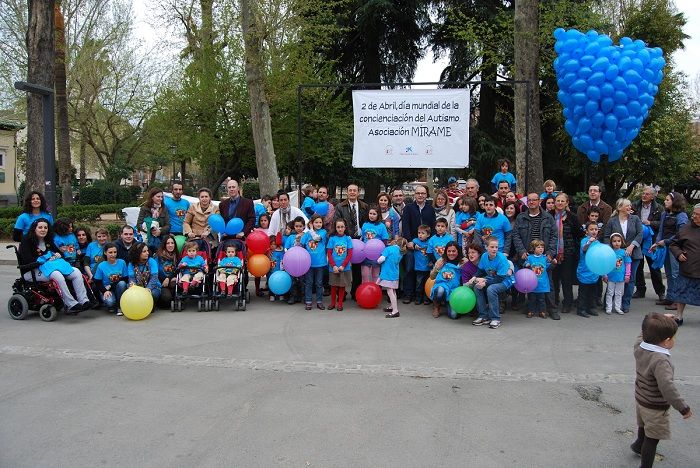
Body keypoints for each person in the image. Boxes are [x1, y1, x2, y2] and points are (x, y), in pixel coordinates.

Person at [631, 313, 692, 468]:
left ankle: (638, 444)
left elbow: (642, 335)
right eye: (673, 337)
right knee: (652, 439)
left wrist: (657, 320)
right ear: (666, 342)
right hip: (655, 406)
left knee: (643, 425)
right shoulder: (661, 361)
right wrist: (682, 407)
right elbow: (667, 387)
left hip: (641, 399)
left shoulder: (640, 346)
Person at [18, 218, 93, 314]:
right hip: (32, 271)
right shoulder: (26, 240)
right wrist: (46, 258)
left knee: (76, 272)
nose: (43, 229)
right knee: (56, 274)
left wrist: (57, 254)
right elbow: (27, 259)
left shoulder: (48, 240)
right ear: (34, 229)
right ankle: (71, 304)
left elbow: (58, 253)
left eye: (45, 227)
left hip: (49, 267)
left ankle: (83, 300)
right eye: (40, 227)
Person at [603, 198, 643, 313]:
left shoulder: (635, 219)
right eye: (627, 206)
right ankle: (609, 304)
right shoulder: (612, 221)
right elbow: (606, 236)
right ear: (619, 208)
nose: (629, 208)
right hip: (615, 255)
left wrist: (632, 246)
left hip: (633, 254)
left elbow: (640, 234)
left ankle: (625, 304)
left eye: (630, 205)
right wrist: (610, 249)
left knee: (629, 279)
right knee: (613, 278)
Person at [650, 192, 688, 311]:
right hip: (665, 247)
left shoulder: (682, 216)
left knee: (676, 273)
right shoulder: (664, 214)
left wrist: (665, 241)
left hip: (675, 248)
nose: (665, 202)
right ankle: (670, 297)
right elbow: (661, 230)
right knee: (669, 273)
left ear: (674, 201)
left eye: (667, 200)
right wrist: (657, 242)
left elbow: (680, 234)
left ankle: (678, 301)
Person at [401, 185, 436, 303]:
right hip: (412, 244)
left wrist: (430, 244)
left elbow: (433, 227)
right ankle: (408, 293)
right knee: (410, 268)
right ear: (414, 195)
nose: (420, 195)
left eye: (423, 193)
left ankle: (424, 295)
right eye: (418, 193)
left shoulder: (430, 209)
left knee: (425, 270)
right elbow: (405, 226)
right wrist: (409, 241)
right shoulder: (408, 208)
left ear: (426, 195)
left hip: (426, 246)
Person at [468, 236, 513, 328]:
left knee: (491, 289)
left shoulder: (501, 258)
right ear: (486, 247)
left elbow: (500, 278)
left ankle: (495, 318)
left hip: (506, 280)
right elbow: (480, 271)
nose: (495, 249)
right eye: (492, 247)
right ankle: (483, 316)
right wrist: (474, 277)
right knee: (477, 287)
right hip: (491, 278)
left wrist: (485, 282)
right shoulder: (484, 256)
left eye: (496, 247)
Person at [667, 203, 700, 325]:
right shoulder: (685, 228)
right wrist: (678, 253)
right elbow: (674, 244)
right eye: (694, 213)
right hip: (687, 267)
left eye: (697, 215)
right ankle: (679, 316)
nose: (694, 216)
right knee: (681, 294)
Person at [632, 185, 665, 301]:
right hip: (638, 238)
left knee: (653, 266)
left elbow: (662, 224)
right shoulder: (635, 205)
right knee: (638, 265)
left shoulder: (659, 208)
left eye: (646, 194)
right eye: (643, 193)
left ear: (652, 196)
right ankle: (640, 289)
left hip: (651, 239)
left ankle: (660, 291)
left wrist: (650, 223)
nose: (643, 195)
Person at [551, 193, 582, 314]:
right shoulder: (550, 216)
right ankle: (554, 301)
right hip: (552, 252)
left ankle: (567, 303)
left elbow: (578, 234)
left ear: (567, 202)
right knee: (554, 278)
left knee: (566, 278)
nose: (559, 203)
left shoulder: (572, 217)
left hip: (567, 253)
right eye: (557, 200)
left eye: (562, 201)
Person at [429, 241, 464, 319]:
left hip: (454, 290)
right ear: (446, 251)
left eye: (454, 251)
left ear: (458, 251)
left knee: (454, 315)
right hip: (442, 286)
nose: (451, 253)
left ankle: (447, 302)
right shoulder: (441, 260)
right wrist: (437, 269)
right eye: (449, 251)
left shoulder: (463, 262)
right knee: (440, 290)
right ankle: (436, 306)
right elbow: (431, 277)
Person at [93, 242, 128, 316]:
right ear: (105, 253)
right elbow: (97, 281)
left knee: (122, 283)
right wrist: (104, 291)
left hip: (118, 288)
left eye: (115, 252)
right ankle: (111, 304)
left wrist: (112, 285)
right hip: (106, 289)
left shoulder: (122, 262)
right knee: (110, 302)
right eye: (110, 252)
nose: (113, 254)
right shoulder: (101, 265)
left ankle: (120, 306)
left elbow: (125, 278)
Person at [301, 214, 328, 310]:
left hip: (320, 263)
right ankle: (308, 301)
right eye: (316, 222)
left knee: (319, 283)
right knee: (309, 282)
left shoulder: (323, 232)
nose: (318, 224)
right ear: (312, 223)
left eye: (320, 222)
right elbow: (301, 245)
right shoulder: (307, 234)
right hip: (309, 264)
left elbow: (317, 238)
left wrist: (311, 229)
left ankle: (319, 301)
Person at [326, 218, 353, 311]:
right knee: (333, 286)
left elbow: (350, 254)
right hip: (333, 267)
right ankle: (332, 303)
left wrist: (343, 265)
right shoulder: (332, 238)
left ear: (345, 228)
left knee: (342, 286)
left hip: (344, 268)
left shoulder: (348, 239)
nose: (340, 229)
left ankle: (340, 304)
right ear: (335, 228)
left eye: (342, 227)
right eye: (338, 227)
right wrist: (333, 265)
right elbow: (329, 253)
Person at [377, 237, 408, 318]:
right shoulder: (401, 252)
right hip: (395, 274)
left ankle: (395, 311)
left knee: (390, 292)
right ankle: (392, 307)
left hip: (388, 274)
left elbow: (381, 259)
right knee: (393, 291)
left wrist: (377, 260)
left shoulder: (388, 249)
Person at [576, 222, 601, 318]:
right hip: (584, 271)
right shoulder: (584, 241)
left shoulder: (598, 243)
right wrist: (590, 242)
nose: (594, 231)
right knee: (583, 292)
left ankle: (591, 307)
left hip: (594, 271)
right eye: (591, 229)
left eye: (596, 229)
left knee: (593, 292)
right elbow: (584, 249)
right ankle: (581, 309)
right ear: (586, 232)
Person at [603, 233, 631, 315]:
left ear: (621, 242)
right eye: (614, 241)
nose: (616, 243)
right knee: (610, 292)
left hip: (621, 277)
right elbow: (605, 264)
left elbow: (628, 264)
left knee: (619, 293)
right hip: (611, 277)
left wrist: (627, 275)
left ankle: (618, 307)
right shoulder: (609, 252)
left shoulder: (624, 253)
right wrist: (604, 274)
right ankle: (608, 308)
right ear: (611, 242)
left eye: (618, 241)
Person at [360, 205, 389, 284]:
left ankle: (374, 292)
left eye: (374, 214)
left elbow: (385, 240)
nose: (371, 216)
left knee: (375, 275)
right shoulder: (365, 224)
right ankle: (365, 293)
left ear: (378, 215)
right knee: (364, 275)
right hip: (365, 254)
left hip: (377, 254)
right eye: (370, 213)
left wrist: (382, 253)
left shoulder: (381, 226)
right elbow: (362, 238)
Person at [524, 239, 552, 319]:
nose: (541, 249)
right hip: (532, 284)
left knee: (541, 299)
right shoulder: (530, 258)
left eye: (542, 247)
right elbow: (525, 264)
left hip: (542, 284)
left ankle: (542, 311)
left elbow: (549, 267)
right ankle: (531, 311)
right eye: (538, 247)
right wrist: (527, 264)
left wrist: (553, 263)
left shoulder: (545, 258)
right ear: (533, 249)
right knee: (531, 299)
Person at [137, 188, 171, 252]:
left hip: (161, 237)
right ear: (152, 197)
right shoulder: (144, 208)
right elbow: (139, 224)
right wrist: (150, 230)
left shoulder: (164, 209)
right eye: (158, 196)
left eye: (161, 197)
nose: (160, 199)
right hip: (147, 237)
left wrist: (160, 231)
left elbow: (168, 225)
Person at [284, 216, 307, 305]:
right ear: (294, 226)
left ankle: (303, 296)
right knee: (292, 281)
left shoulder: (305, 236)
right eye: (296, 226)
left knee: (303, 281)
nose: (298, 228)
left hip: (302, 263)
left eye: (300, 226)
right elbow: (286, 248)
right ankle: (293, 296)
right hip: (292, 263)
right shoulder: (290, 237)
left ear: (303, 227)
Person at [410, 225, 432, 305]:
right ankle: (418, 298)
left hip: (428, 268)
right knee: (419, 284)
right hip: (419, 268)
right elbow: (410, 244)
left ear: (428, 235)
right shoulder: (415, 241)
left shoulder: (430, 242)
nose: (420, 235)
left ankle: (426, 298)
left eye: (423, 233)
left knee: (427, 284)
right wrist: (413, 245)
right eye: (419, 233)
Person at [155, 234, 179, 307]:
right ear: (164, 245)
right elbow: (155, 272)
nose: (170, 245)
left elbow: (177, 270)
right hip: (161, 283)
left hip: (172, 282)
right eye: (168, 243)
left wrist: (169, 278)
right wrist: (164, 280)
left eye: (172, 243)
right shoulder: (158, 256)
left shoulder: (176, 256)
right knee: (166, 299)